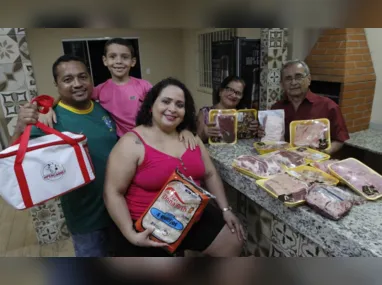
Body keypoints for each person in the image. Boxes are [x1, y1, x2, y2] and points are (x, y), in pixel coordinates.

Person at [103, 77, 245, 257]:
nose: (172, 109)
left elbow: (209, 174)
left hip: (190, 217)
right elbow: (112, 193)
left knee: (234, 238)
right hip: (147, 227)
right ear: (151, 105)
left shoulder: (191, 139)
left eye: (179, 104)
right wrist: (131, 234)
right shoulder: (132, 143)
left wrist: (225, 209)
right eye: (165, 101)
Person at [11, 54, 118, 257]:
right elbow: (14, 161)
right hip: (86, 220)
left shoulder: (102, 108)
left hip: (119, 212)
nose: (77, 84)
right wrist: (19, 127)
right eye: (68, 80)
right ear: (57, 84)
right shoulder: (50, 120)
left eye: (82, 76)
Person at [40, 37, 197, 148]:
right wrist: (48, 109)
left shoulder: (144, 86)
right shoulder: (99, 90)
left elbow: (167, 110)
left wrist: (185, 130)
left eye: (124, 57)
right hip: (120, 142)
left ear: (133, 62)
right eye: (113, 57)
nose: (119, 61)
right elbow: (72, 95)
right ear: (105, 61)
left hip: (148, 138)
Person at [259, 60, 350, 155]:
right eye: (288, 78)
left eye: (298, 77)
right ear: (282, 84)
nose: (293, 82)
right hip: (283, 160)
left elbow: (340, 140)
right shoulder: (276, 108)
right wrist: (263, 132)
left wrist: (324, 152)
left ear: (309, 79)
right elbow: (272, 139)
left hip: (314, 163)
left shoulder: (328, 106)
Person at [197, 75, 258, 143]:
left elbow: (250, 138)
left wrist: (255, 131)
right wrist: (204, 134)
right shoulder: (205, 113)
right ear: (220, 91)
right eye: (230, 90)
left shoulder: (245, 115)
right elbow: (196, 141)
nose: (234, 95)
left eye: (238, 93)